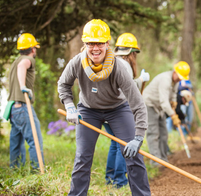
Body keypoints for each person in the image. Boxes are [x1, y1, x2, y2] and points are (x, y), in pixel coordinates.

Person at [57, 19, 150, 195]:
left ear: (107, 44)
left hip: (118, 109)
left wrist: (138, 138)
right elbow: (63, 85)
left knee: (134, 157)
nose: (95, 48)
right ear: (85, 44)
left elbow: (138, 104)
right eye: (91, 43)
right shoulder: (77, 62)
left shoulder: (118, 67)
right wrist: (69, 107)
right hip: (88, 109)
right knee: (82, 158)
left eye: (100, 43)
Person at [103, 32, 150, 188]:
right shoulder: (124, 65)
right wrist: (141, 80)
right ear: (131, 53)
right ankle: (119, 182)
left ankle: (110, 179)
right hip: (115, 109)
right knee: (124, 144)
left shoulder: (112, 60)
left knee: (115, 143)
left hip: (103, 108)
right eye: (135, 53)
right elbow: (126, 90)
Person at [7, 33, 44, 170]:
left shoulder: (15, 61)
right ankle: (37, 172)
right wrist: (23, 87)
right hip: (23, 107)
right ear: (33, 49)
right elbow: (23, 66)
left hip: (13, 108)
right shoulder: (27, 60)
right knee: (35, 140)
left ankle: (16, 171)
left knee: (16, 143)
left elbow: (19, 66)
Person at [142, 61, 190, 165]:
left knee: (163, 133)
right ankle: (155, 161)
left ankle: (163, 159)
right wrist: (173, 115)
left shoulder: (176, 82)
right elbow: (164, 102)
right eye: (180, 76)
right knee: (153, 133)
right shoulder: (165, 80)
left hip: (160, 108)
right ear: (175, 72)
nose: (180, 79)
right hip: (150, 104)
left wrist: (174, 102)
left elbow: (173, 94)